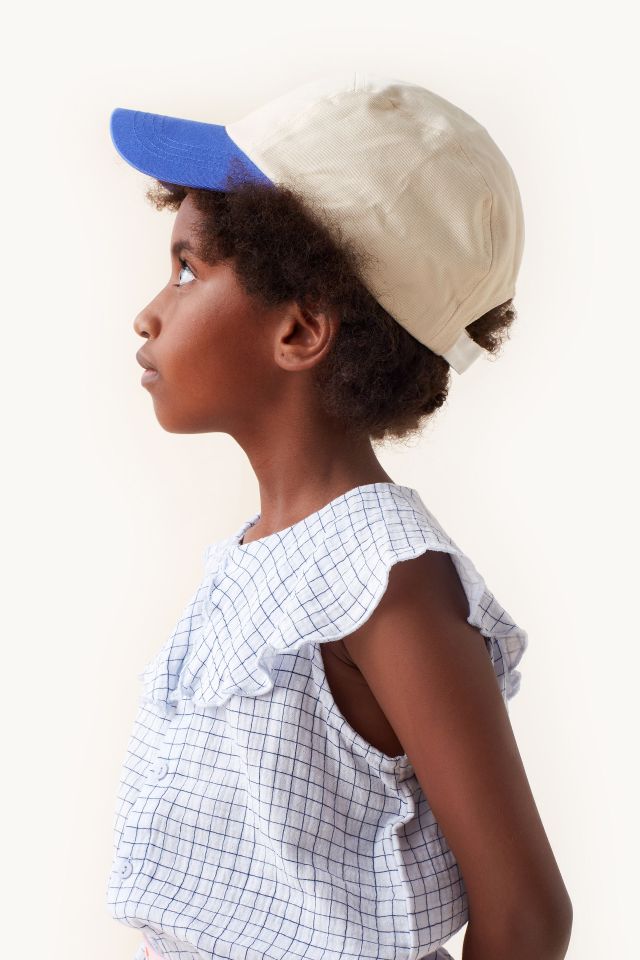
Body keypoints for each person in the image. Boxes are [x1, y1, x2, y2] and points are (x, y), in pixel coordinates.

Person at [106, 73, 572, 960]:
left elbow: (526, 914)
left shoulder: (384, 580)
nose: (148, 313)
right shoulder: (259, 556)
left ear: (300, 330)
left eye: (187, 269)